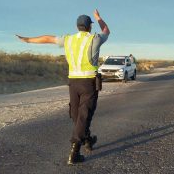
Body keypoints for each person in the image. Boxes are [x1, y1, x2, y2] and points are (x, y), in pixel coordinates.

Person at [16, 9, 110, 165]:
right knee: (83, 115)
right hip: (88, 83)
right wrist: (99, 18)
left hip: (73, 82)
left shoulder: (68, 39)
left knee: (76, 114)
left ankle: (87, 140)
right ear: (89, 27)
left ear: (77, 26)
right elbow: (107, 30)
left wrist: (28, 40)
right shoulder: (95, 38)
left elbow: (47, 38)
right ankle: (75, 151)